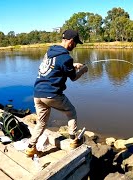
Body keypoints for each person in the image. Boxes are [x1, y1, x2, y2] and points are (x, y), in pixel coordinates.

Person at [25, 29, 88, 157]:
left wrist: (73, 65)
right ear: (70, 41)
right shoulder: (66, 57)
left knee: (41, 123)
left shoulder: (51, 51)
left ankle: (31, 147)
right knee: (71, 112)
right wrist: (83, 70)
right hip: (52, 94)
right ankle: (73, 141)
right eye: (75, 43)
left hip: (37, 93)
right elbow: (74, 78)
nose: (75, 46)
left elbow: (55, 67)